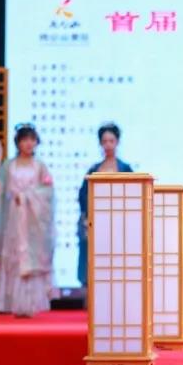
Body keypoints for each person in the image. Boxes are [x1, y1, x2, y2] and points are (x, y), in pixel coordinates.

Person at [0, 124, 56, 317]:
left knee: (31, 258)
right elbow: (0, 193)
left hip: (33, 222)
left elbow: (48, 193)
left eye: (32, 139)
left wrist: (26, 197)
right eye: (25, 140)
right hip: (14, 219)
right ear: (18, 143)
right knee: (14, 257)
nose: (28, 143)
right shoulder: (9, 166)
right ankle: (14, 303)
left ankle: (31, 304)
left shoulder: (40, 167)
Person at [77, 123, 133, 287]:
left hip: (120, 224)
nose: (108, 145)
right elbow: (83, 196)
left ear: (117, 142)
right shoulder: (94, 170)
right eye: (104, 141)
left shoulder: (125, 169)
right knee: (97, 264)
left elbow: (133, 196)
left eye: (111, 141)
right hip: (97, 224)